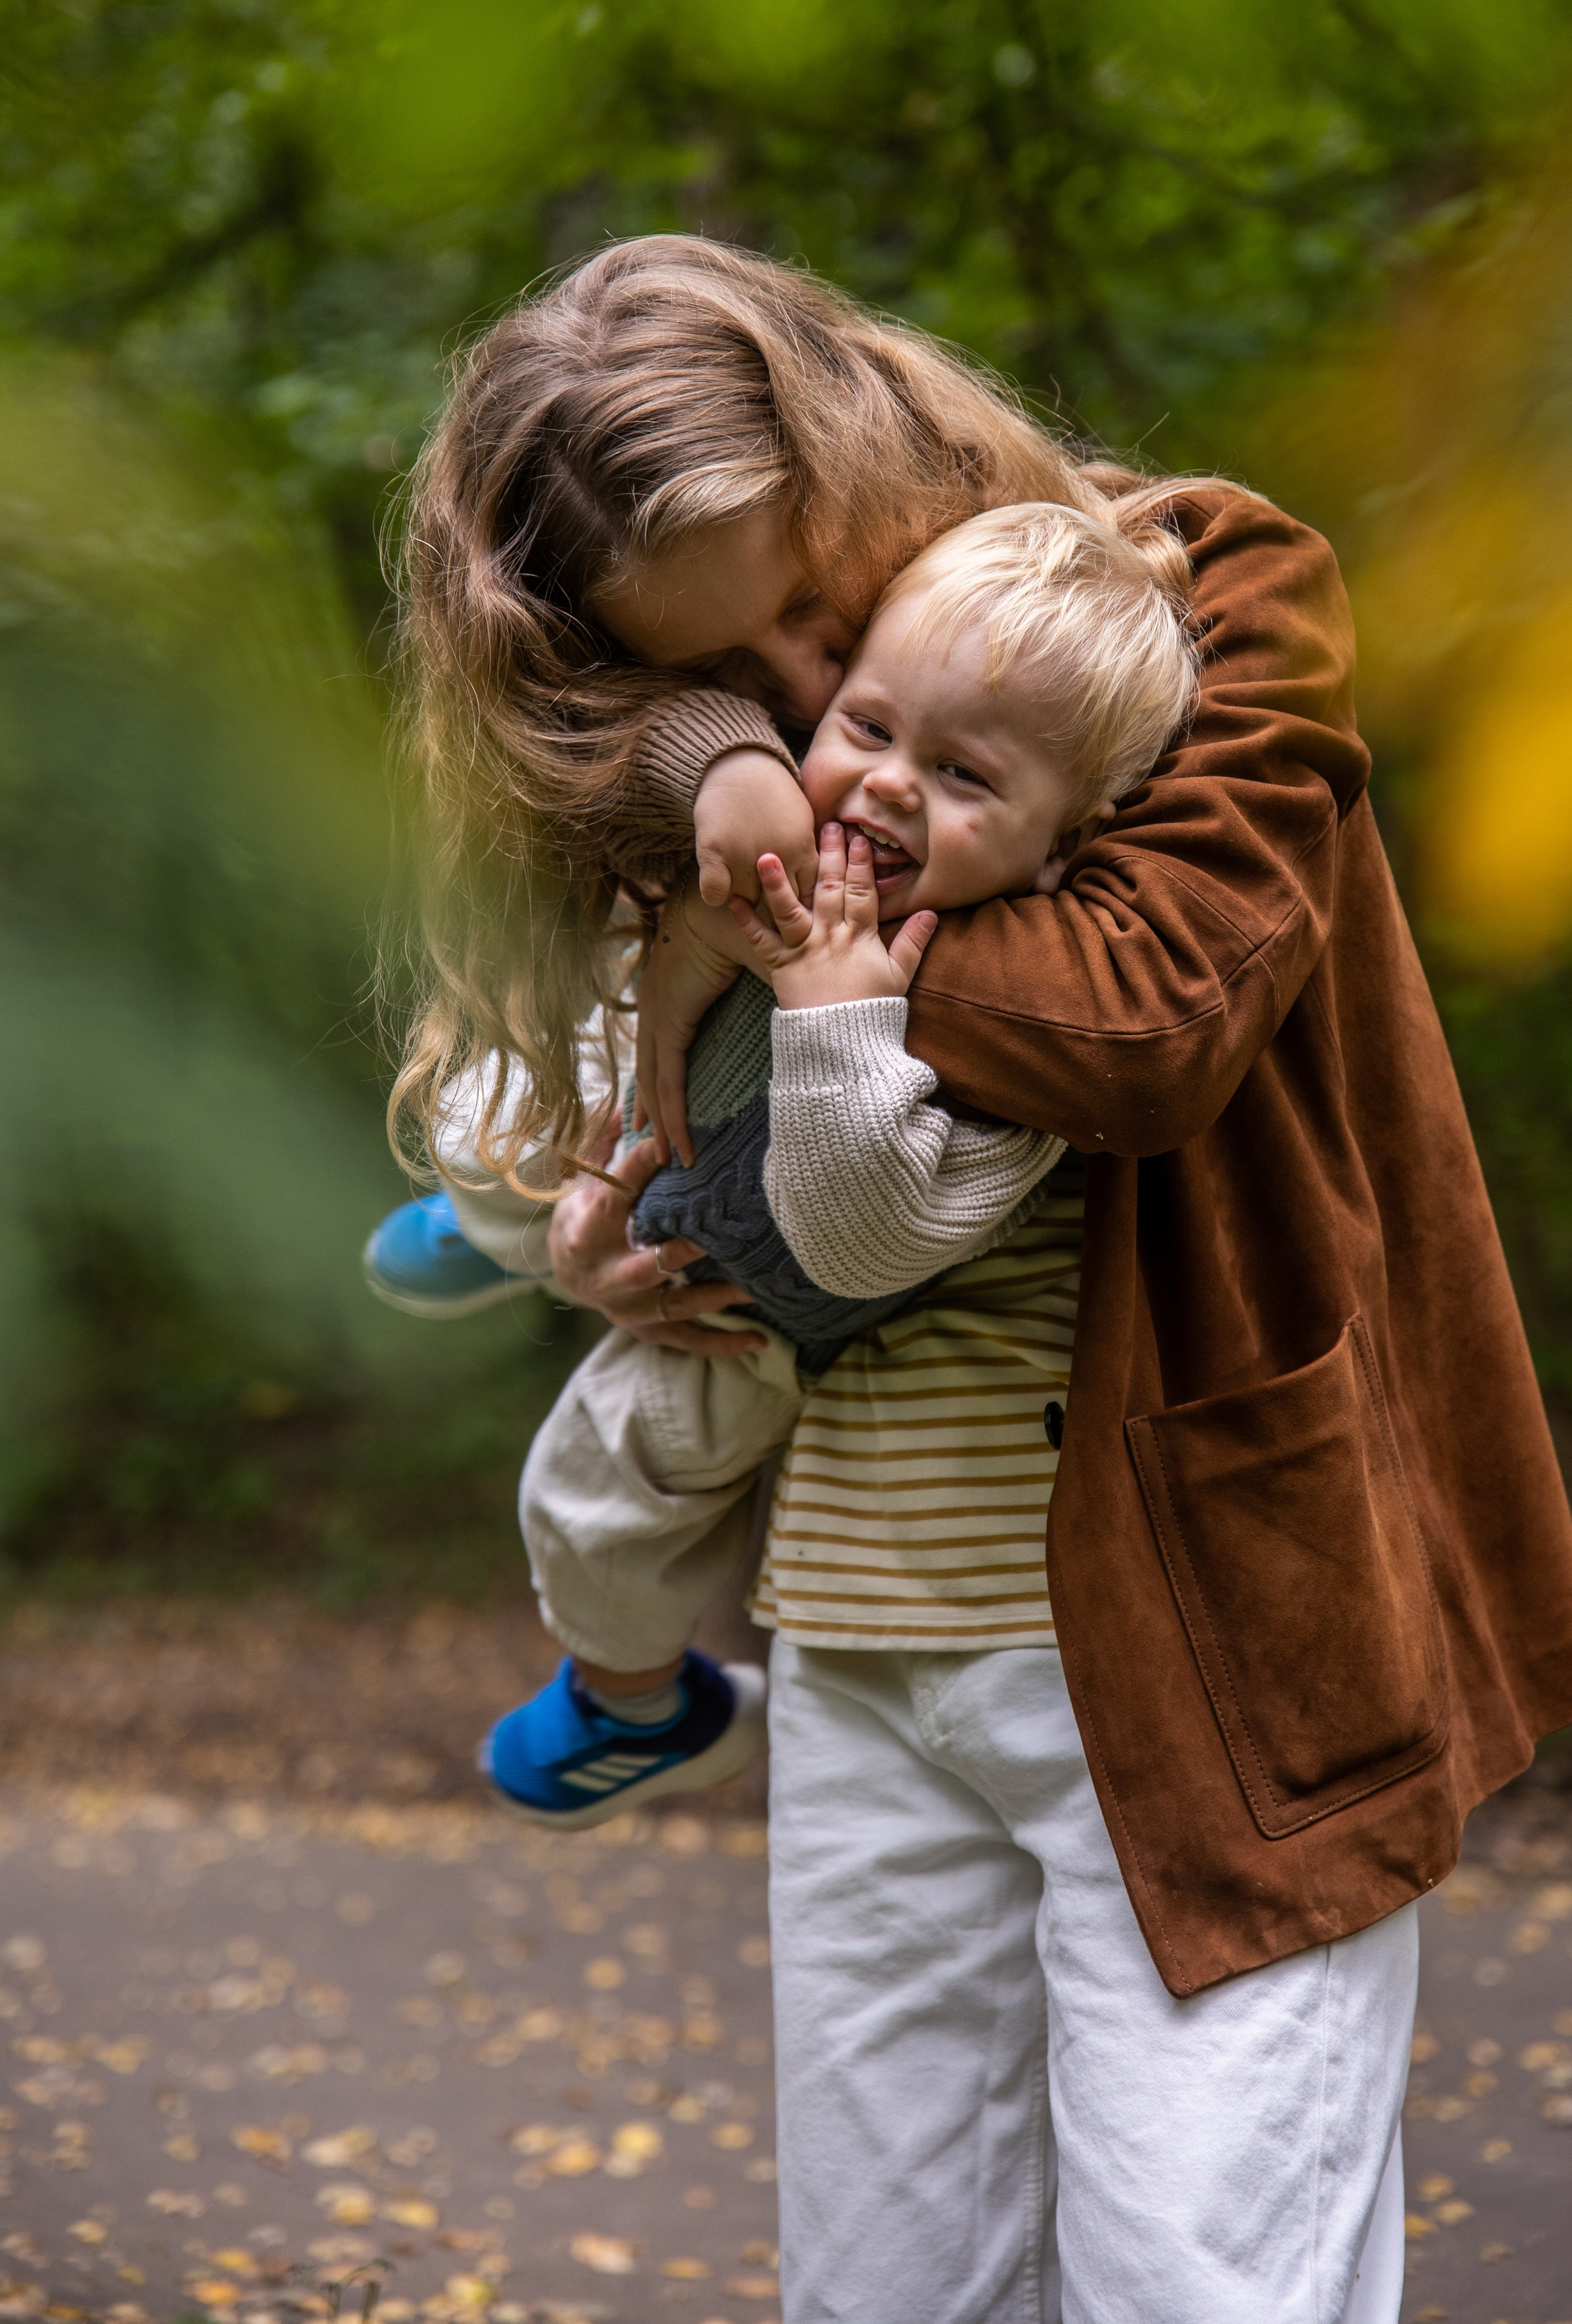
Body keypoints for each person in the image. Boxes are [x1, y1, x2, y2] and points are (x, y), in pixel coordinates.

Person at [386, 234, 1572, 2324]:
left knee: (1201, 2286)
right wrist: (642, 1201)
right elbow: (629, 1060)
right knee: (890, 2294)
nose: (796, 690)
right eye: (727, 674)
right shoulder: (743, 753)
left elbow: (1146, 1018)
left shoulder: (1205, 592)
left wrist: (740, 930)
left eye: (803, 600)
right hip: (870, 1626)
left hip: (1222, 1628)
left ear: (862, 442)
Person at [470, 502, 1197, 1826]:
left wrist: (831, 1010)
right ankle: (487, 1223)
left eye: (968, 780)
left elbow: (863, 1241)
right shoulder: (812, 833)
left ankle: (636, 1706)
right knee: (498, 1079)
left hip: (752, 1316)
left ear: (1068, 842)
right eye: (864, 729)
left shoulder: (1024, 1021)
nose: (887, 786)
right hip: (649, 1155)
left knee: (589, 1491)